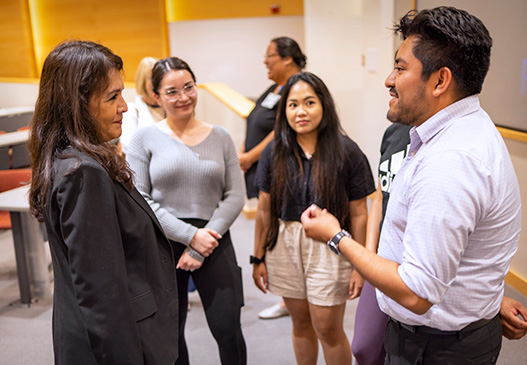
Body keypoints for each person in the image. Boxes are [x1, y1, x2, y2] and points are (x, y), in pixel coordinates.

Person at [301, 6, 522, 364]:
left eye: (401, 68)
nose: (388, 79)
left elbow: (418, 291)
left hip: (436, 347)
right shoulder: (462, 131)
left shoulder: (450, 162)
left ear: (439, 81)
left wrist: (336, 236)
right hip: (445, 334)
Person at [27, 40, 178, 364]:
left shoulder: (71, 160)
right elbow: (101, 294)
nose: (124, 106)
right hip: (115, 346)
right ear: (77, 105)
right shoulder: (84, 173)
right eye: (113, 97)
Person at [351, 124, 527, 364]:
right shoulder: (397, 134)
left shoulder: (451, 152)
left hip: (420, 285)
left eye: (397, 83)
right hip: (385, 263)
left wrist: (339, 239)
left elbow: (453, 246)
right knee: (364, 347)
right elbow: (381, 196)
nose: (390, 84)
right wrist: (367, 257)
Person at [125, 57, 246, 365]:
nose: (183, 97)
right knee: (170, 336)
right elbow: (141, 197)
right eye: (172, 91)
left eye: (189, 87)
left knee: (228, 328)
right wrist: (192, 236)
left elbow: (235, 196)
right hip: (164, 245)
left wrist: (203, 242)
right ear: (156, 96)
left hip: (215, 240)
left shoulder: (220, 136)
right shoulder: (144, 138)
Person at [253, 72, 375, 364]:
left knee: (328, 328)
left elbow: (360, 212)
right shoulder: (274, 151)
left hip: (331, 245)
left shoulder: (347, 150)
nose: (301, 112)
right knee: (301, 324)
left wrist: (361, 266)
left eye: (309, 102)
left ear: (324, 105)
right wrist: (258, 258)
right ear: (284, 111)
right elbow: (264, 209)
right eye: (293, 105)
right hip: (284, 244)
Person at [240, 37, 306, 320]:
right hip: (262, 166)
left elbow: (279, 129)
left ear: (288, 59)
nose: (265, 61)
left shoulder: (297, 87)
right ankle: (288, 295)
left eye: (270, 56)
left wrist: (249, 157)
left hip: (282, 169)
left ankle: (290, 298)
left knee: (286, 227)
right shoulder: (275, 87)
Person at [118, 56, 164, 153]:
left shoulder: (170, 108)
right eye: (152, 79)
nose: (157, 84)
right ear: (143, 82)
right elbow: (128, 146)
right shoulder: (131, 110)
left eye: (160, 78)